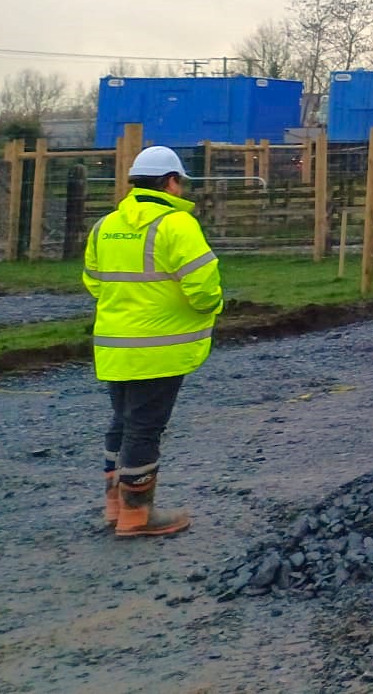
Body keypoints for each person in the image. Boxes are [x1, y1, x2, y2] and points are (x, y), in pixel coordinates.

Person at [82, 145, 223, 537]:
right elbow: (204, 288)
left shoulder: (105, 225)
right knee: (145, 427)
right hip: (159, 349)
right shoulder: (176, 225)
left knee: (122, 422)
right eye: (180, 182)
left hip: (114, 346)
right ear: (171, 183)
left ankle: (115, 506)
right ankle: (136, 515)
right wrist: (206, 308)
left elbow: (94, 280)